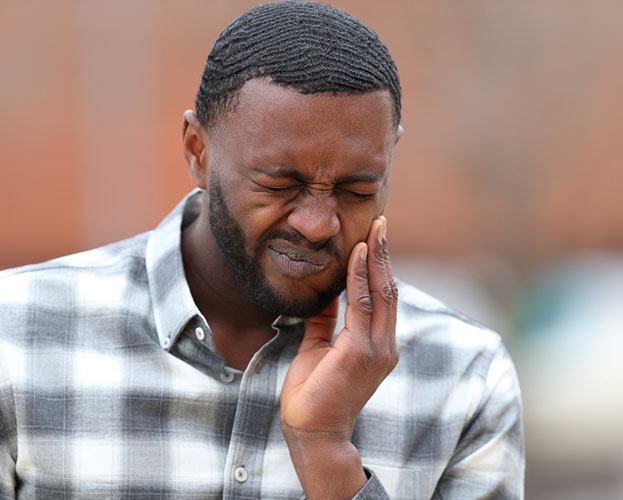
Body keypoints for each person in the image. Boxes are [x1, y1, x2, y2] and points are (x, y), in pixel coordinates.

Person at [0, 2, 524, 498]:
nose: (318, 225)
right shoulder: (17, 338)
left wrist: (327, 460)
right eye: (279, 184)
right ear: (197, 152)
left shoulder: (462, 376)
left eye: (357, 192)